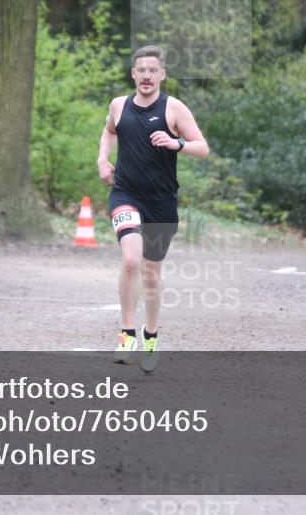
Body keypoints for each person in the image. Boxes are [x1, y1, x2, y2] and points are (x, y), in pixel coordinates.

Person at [97, 45, 209, 371]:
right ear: (133, 74)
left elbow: (202, 147)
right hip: (125, 194)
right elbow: (108, 131)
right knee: (131, 260)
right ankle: (127, 334)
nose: (146, 75)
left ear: (162, 75)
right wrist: (103, 159)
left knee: (150, 272)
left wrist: (177, 143)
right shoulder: (118, 105)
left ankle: (151, 334)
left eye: (152, 70)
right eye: (141, 70)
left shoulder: (174, 108)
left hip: (161, 202)